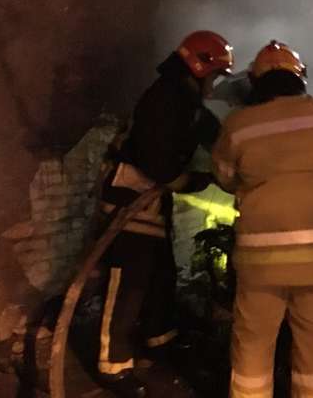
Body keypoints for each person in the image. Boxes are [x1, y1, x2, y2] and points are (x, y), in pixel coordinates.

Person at [212, 40, 313, 398]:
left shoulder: (238, 125)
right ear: (300, 77)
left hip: (260, 266)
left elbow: (224, 176)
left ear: (254, 81)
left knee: (253, 347)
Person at [96, 30, 234, 397]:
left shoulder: (184, 100)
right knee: (128, 284)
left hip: (149, 204)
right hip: (128, 201)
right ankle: (112, 365)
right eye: (216, 75)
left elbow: (215, 136)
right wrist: (190, 181)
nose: (216, 84)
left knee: (159, 275)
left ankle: (159, 339)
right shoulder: (166, 98)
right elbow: (157, 161)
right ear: (199, 67)